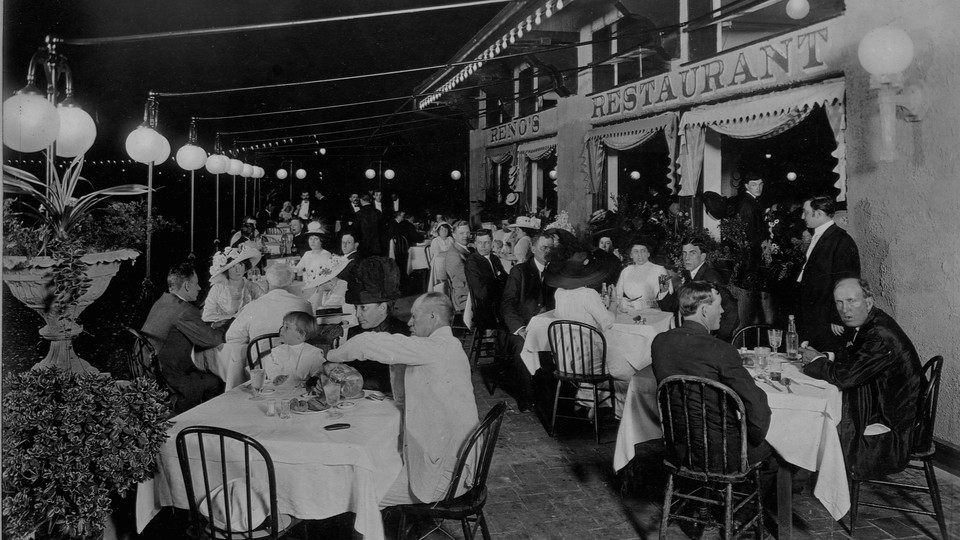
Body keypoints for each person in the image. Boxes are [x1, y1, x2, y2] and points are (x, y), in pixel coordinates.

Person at [327, 293, 478, 506]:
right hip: (455, 462)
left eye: (415, 316)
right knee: (374, 461)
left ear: (433, 317)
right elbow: (403, 392)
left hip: (447, 477)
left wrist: (329, 357)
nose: (409, 322)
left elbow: (366, 342)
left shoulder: (437, 348)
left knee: (354, 491)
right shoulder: (448, 346)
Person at [651, 281, 776, 500]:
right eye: (719, 305)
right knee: (773, 455)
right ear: (705, 310)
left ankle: (701, 506)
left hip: (679, 448)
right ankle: (741, 517)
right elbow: (757, 404)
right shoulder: (721, 350)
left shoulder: (660, 343)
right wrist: (754, 438)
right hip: (721, 452)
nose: (723, 311)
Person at [801, 278, 923, 478]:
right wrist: (826, 359)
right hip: (888, 406)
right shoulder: (873, 322)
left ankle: (802, 472)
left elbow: (847, 378)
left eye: (851, 301)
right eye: (839, 302)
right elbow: (858, 363)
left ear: (868, 302)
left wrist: (816, 360)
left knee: (817, 418)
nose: (844, 309)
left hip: (896, 426)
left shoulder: (878, 335)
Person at [142, 263, 225, 415]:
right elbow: (213, 340)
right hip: (168, 378)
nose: (199, 288)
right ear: (187, 286)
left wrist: (208, 325)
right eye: (196, 283)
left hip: (146, 369)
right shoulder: (185, 311)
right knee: (217, 382)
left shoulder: (163, 301)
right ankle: (200, 420)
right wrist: (229, 323)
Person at [796, 195, 861, 351]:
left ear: (818, 213)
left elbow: (847, 282)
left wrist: (838, 317)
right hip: (813, 315)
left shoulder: (841, 240)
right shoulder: (818, 236)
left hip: (828, 320)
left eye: (806, 212)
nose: (802, 216)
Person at [500, 232, 556, 411]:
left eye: (551, 248)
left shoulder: (556, 272)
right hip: (523, 325)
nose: (548, 251)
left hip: (548, 326)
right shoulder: (520, 271)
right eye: (543, 247)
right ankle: (528, 397)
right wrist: (520, 328)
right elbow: (507, 305)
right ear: (533, 248)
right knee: (521, 348)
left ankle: (554, 397)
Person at [342, 257, 408, 392]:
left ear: (383, 307)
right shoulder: (355, 332)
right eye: (356, 308)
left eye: (363, 308)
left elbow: (395, 382)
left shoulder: (402, 333)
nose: (357, 314)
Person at [657, 238, 739, 341]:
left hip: (704, 339)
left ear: (703, 256)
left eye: (692, 253)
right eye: (684, 253)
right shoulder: (689, 275)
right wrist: (664, 291)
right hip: (690, 335)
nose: (686, 258)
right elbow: (673, 306)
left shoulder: (710, 278)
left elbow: (731, 312)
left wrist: (717, 339)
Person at [225, 264, 312, 346]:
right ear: (291, 282)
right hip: (297, 359)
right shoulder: (304, 304)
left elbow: (233, 337)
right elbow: (309, 335)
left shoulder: (251, 306)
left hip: (260, 360)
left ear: (266, 282)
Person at [202, 245, 264, 324]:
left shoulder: (252, 287)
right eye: (233, 266)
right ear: (226, 269)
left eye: (240, 265)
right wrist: (233, 317)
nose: (237, 270)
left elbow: (265, 306)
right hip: (224, 330)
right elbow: (207, 316)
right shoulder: (218, 288)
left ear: (245, 267)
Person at [261, 311, 324, 384]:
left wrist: (314, 379)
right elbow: (271, 367)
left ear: (301, 334)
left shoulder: (314, 353)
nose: (281, 329)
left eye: (287, 327)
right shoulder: (277, 351)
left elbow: (319, 371)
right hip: (282, 389)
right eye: (282, 326)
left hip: (303, 390)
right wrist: (276, 376)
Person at [464, 228, 508, 330]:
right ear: (475, 243)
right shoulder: (472, 262)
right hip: (484, 308)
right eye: (479, 243)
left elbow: (505, 279)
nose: (483, 246)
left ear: (492, 243)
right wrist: (499, 284)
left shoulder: (494, 258)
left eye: (486, 242)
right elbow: (481, 292)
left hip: (497, 302)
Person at [615, 242, 670, 311]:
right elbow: (617, 295)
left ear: (648, 254)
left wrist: (645, 304)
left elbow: (665, 299)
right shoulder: (626, 271)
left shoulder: (660, 270)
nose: (639, 255)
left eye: (643, 251)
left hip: (653, 312)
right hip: (629, 311)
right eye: (636, 252)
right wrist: (623, 302)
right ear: (631, 255)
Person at [442, 221, 472, 311]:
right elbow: (468, 278)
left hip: (471, 291)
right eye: (461, 233)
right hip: (465, 297)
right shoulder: (454, 255)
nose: (465, 236)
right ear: (454, 235)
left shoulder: (469, 249)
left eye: (467, 232)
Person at [355, 193, 385, 257]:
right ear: (370, 200)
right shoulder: (378, 212)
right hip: (377, 246)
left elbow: (356, 231)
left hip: (363, 246)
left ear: (361, 200)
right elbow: (382, 230)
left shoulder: (359, 214)